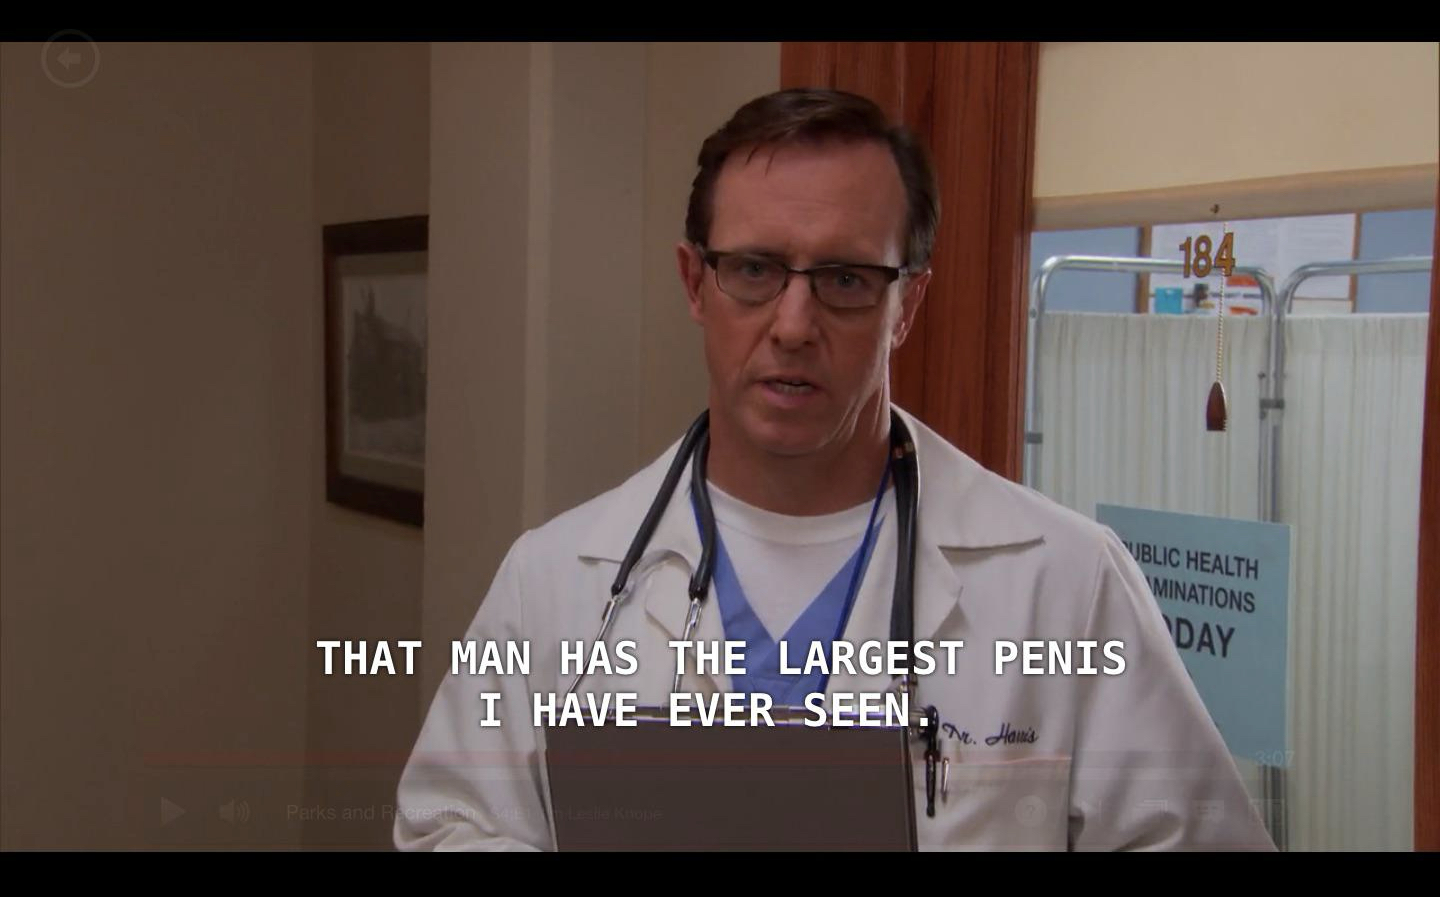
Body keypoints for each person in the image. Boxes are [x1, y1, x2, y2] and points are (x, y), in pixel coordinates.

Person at [391, 88, 1276, 851]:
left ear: (907, 304)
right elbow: (447, 825)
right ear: (695, 284)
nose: (792, 325)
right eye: (754, 270)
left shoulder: (1066, 582)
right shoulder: (555, 580)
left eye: (846, 279)